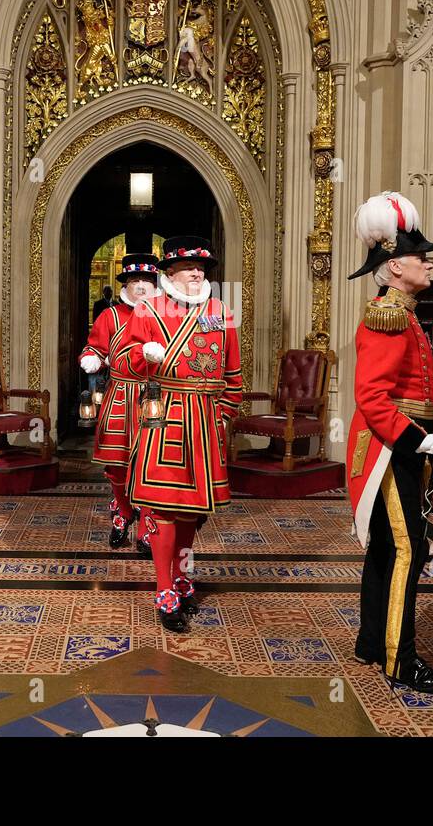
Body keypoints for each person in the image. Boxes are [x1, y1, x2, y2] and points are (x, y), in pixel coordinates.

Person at [345, 192, 433, 693]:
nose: (429, 263)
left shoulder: (403, 311)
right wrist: (418, 441)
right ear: (393, 267)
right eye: (421, 257)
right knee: (408, 552)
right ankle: (399, 660)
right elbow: (371, 397)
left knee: (389, 550)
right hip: (391, 449)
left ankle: (372, 643)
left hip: (400, 445)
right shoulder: (387, 315)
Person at [123, 235, 241, 632]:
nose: (196, 272)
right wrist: (144, 355)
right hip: (165, 419)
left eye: (202, 268)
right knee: (162, 507)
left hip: (206, 423)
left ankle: (181, 574)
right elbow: (126, 365)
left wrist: (222, 420)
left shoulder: (221, 311)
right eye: (188, 266)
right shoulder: (147, 310)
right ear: (169, 272)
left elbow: (234, 378)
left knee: (192, 510)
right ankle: (163, 588)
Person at [78, 253, 159, 549]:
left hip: (155, 396)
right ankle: (123, 510)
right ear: (125, 284)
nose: (140, 286)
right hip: (120, 395)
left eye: (147, 281)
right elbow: (94, 347)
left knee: (152, 463)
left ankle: (148, 523)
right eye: (134, 280)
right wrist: (91, 358)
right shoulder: (110, 316)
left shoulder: (168, 315)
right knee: (116, 464)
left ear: (156, 285)